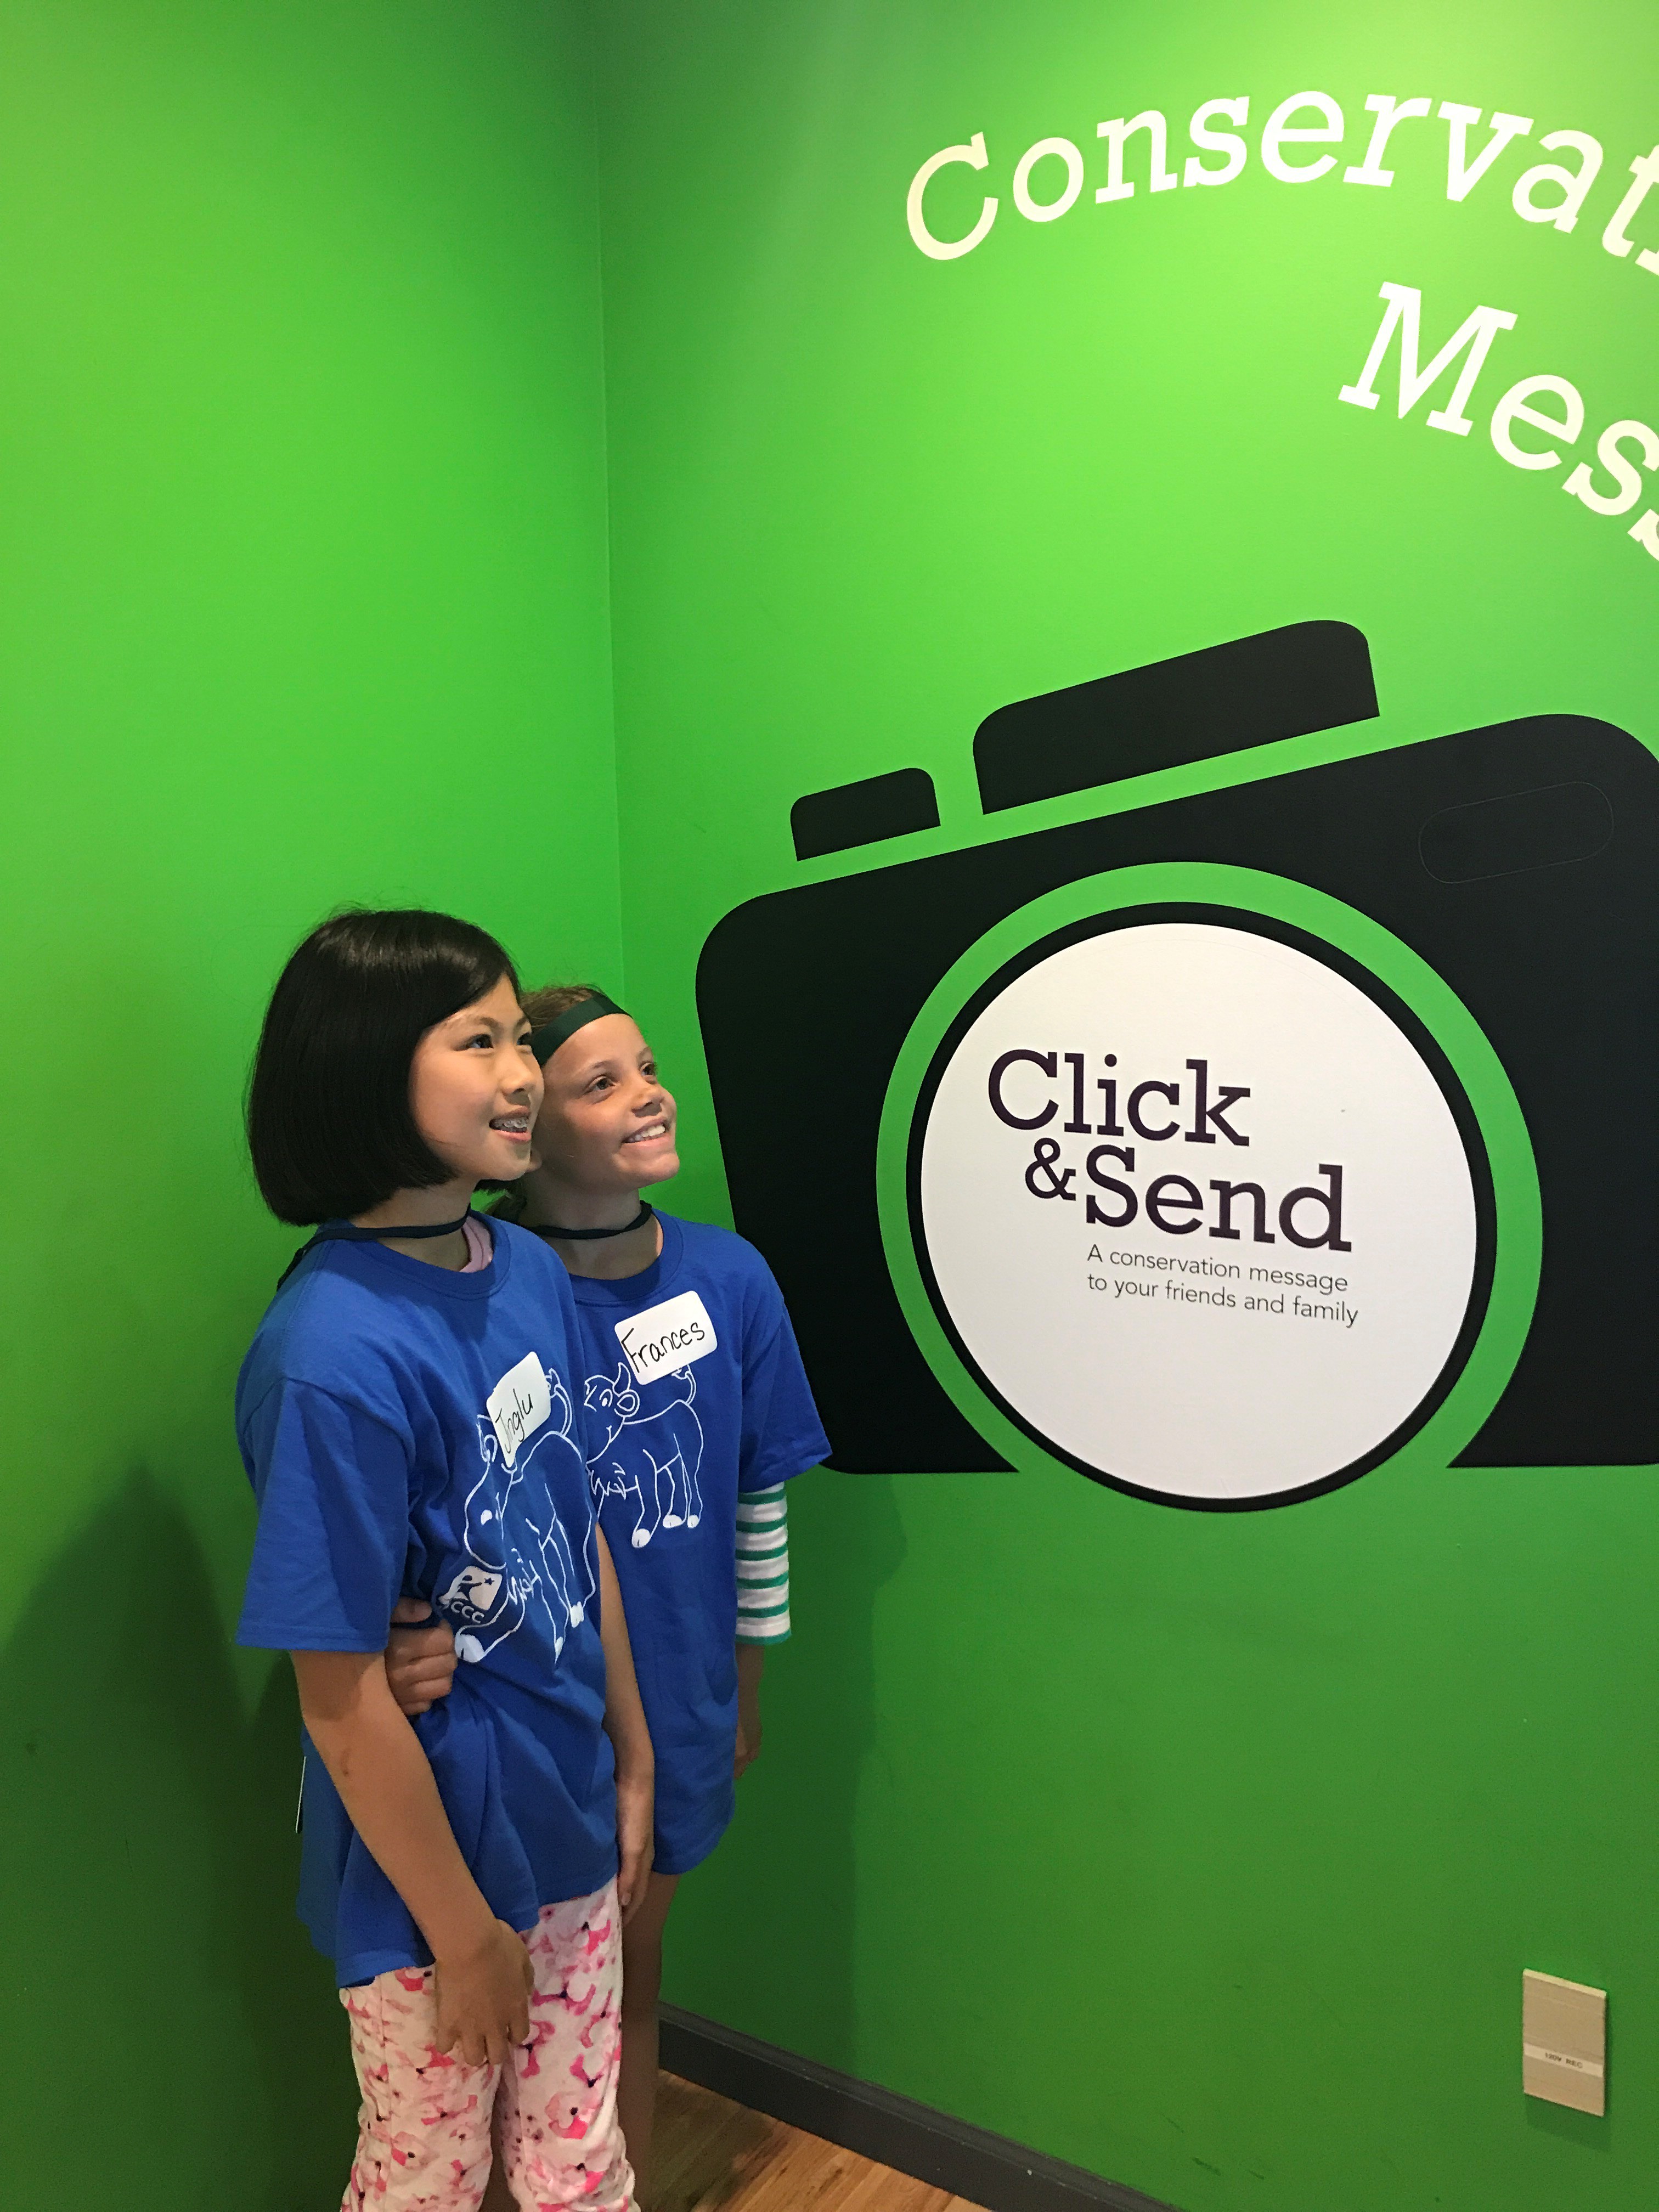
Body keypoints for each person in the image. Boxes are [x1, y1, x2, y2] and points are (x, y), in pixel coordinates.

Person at [385, 984, 828, 2209]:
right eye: (602, 1082)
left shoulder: (730, 1278)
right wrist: (398, 1639)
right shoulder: (490, 1288)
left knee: (623, 1980)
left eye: (648, 1067)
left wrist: (742, 1682)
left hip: (676, 1704)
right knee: (479, 2025)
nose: (649, 1096)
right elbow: (428, 1493)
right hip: (506, 1719)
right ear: (529, 1130)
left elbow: (757, 1499)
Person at [235, 913, 652, 2211]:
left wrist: (633, 1755)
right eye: (479, 1042)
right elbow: (338, 1691)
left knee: (579, 2170)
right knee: (426, 2179)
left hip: (569, 1813)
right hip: (431, 1883)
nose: (522, 1075)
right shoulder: (332, 1352)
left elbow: (573, 1522)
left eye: (521, 1038)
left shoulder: (524, 1266)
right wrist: (465, 1937)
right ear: (367, 1066)